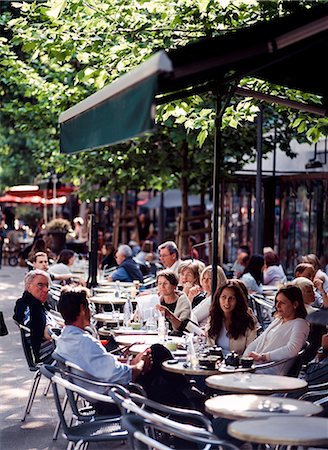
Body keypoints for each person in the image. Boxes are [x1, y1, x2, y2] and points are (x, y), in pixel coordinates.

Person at [56, 287, 204, 409]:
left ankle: (190, 397)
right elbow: (123, 376)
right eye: (88, 306)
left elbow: (97, 363)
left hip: (104, 391)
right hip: (114, 398)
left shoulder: (66, 338)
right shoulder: (84, 342)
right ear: (82, 309)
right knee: (166, 381)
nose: (90, 311)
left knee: (157, 352)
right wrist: (140, 363)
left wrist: (131, 360)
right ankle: (192, 403)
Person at [244, 284, 309, 375]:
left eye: (282, 303)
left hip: (270, 370)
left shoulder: (300, 324)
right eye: (277, 301)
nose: (277, 306)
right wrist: (245, 358)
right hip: (257, 365)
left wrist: (263, 357)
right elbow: (259, 340)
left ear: (295, 304)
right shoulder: (279, 320)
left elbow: (292, 349)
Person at [13, 270, 57, 362]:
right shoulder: (32, 311)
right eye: (40, 285)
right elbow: (49, 334)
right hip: (51, 357)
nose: (46, 289)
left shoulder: (30, 304)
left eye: (47, 285)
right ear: (28, 287)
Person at [206, 280, 257, 355]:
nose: (227, 302)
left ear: (237, 300)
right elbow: (208, 345)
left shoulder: (248, 320)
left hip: (238, 364)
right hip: (216, 363)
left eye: (231, 298)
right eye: (223, 297)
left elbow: (251, 350)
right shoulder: (214, 317)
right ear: (218, 299)